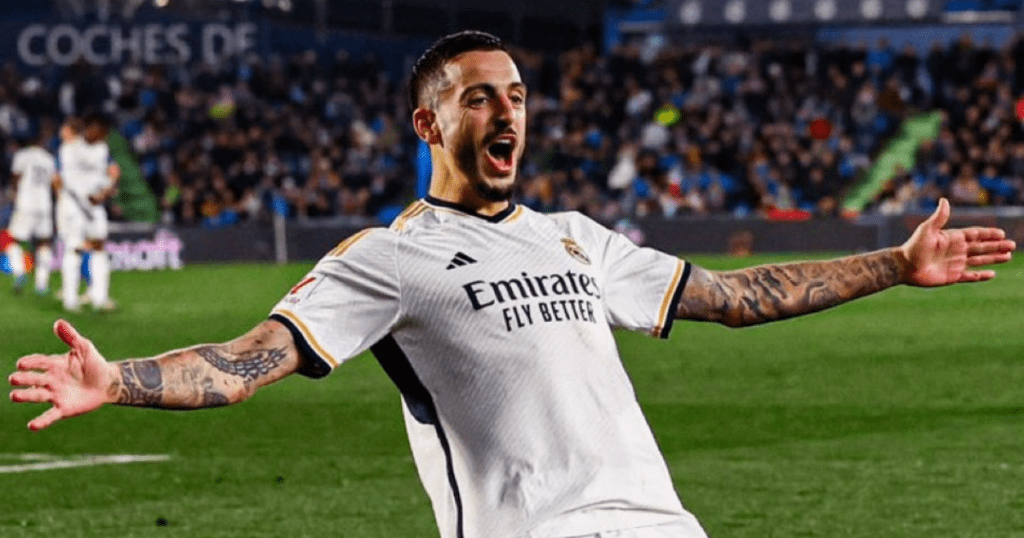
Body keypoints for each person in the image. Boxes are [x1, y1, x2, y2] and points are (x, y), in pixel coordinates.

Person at [8, 31, 1016, 538]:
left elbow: (737, 295)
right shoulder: (386, 256)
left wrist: (894, 263)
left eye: (518, 96)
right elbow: (243, 364)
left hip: (665, 526)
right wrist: (119, 379)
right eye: (478, 97)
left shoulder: (575, 236)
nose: (507, 113)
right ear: (429, 126)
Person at [54, 114, 120, 312]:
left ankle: (100, 298)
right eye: (101, 133)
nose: (104, 137)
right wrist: (63, 199)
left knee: (99, 246)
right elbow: (60, 177)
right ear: (90, 129)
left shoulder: (102, 149)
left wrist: (105, 192)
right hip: (74, 204)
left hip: (95, 205)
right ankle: (71, 300)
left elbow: (112, 173)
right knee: (74, 247)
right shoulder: (70, 148)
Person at [5, 129, 56, 294]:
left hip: (26, 203)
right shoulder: (49, 159)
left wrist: (13, 193)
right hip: (44, 205)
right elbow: (53, 182)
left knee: (11, 240)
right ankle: (42, 284)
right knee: (44, 243)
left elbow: (15, 177)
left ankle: (19, 272)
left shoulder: (23, 155)